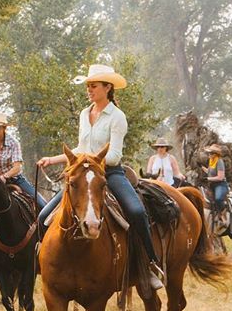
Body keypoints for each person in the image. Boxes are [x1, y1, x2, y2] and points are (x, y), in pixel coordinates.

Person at [37, 63, 165, 289]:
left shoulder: (117, 117)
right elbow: (79, 147)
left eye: (93, 85)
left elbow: (114, 155)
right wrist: (54, 159)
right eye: (88, 86)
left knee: (136, 211)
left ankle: (149, 264)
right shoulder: (84, 114)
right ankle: (40, 262)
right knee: (44, 216)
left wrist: (90, 161)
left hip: (109, 172)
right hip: (82, 171)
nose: (89, 89)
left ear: (108, 87)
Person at [0, 112, 46, 263]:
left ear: (4, 128)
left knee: (42, 204)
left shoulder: (13, 143)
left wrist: (5, 177)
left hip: (15, 179)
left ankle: (45, 247)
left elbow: (17, 167)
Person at [202, 143, 229, 224]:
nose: (209, 154)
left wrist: (207, 178)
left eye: (210, 153)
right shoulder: (211, 161)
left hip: (220, 184)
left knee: (218, 198)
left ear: (215, 154)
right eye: (208, 153)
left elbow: (220, 177)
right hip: (211, 184)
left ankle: (222, 213)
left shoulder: (219, 161)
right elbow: (211, 172)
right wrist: (204, 170)